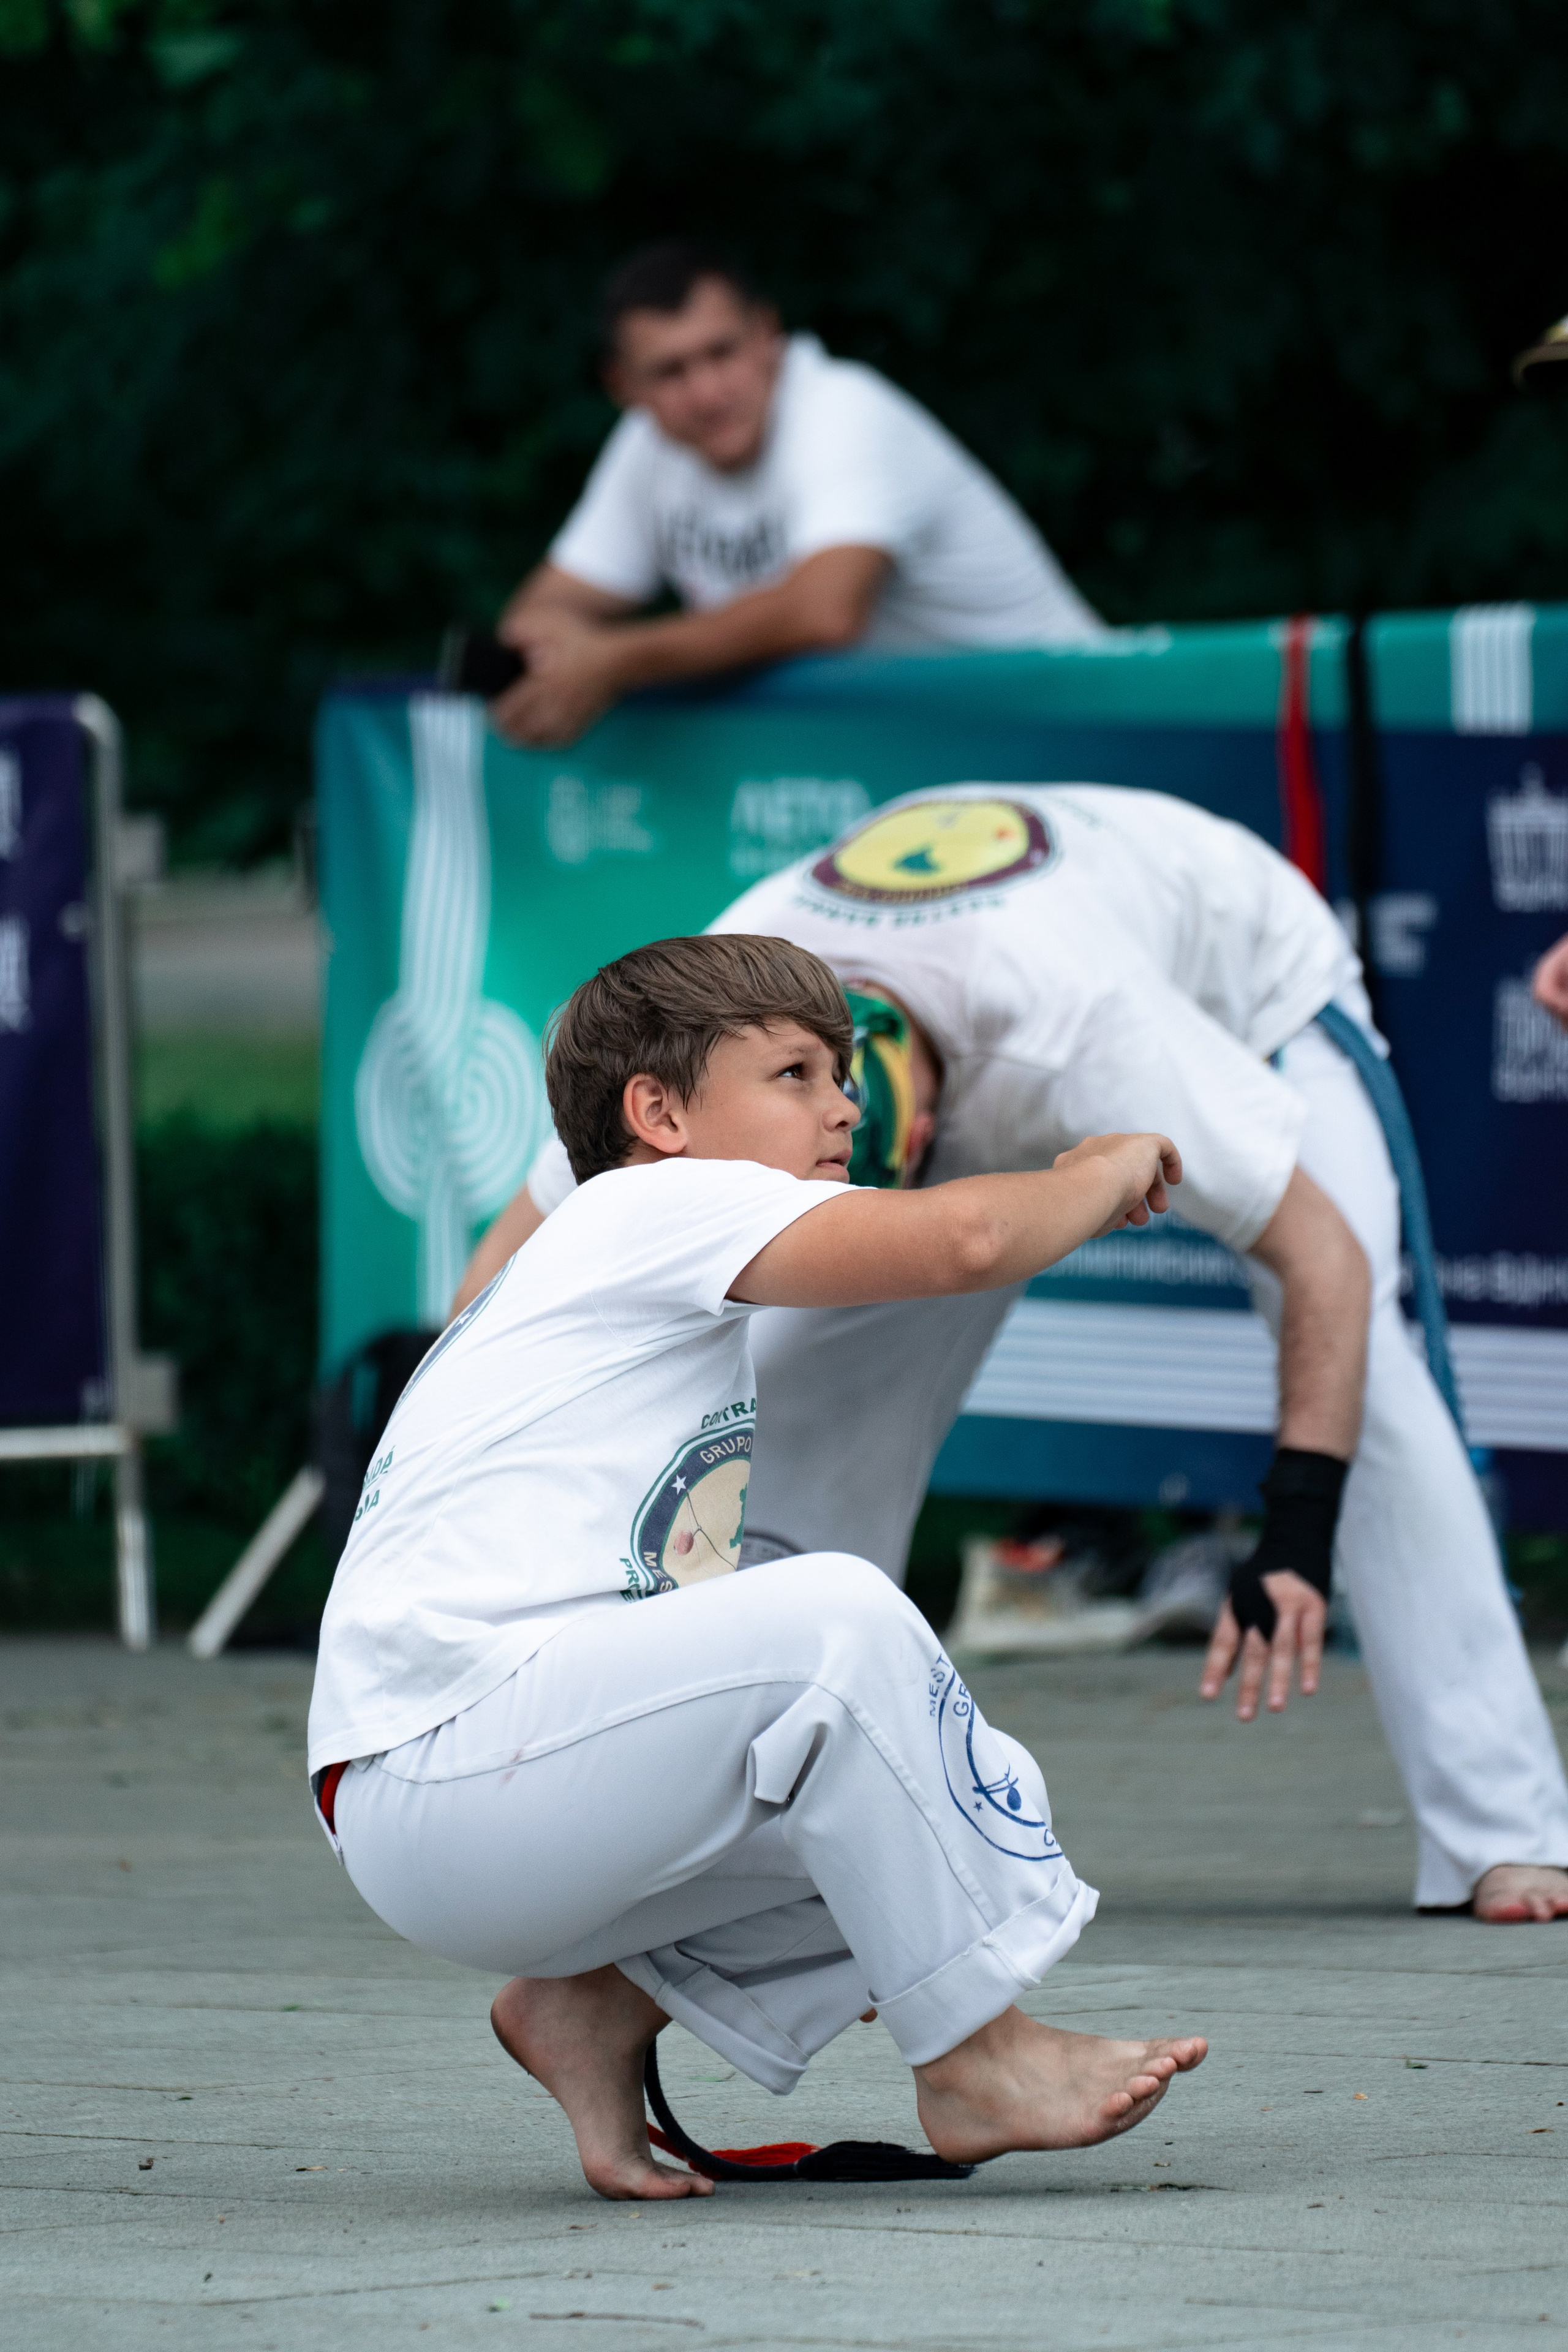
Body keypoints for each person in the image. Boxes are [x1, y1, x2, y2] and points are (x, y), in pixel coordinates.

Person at [461, 786, 1568, 1928]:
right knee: (790, 1398)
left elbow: (1322, 1251)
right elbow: (496, 1286)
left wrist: (1298, 1524)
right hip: (968, 986)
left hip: (1242, 989)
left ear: (906, 1129)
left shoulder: (1083, 1029)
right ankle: (765, 1829)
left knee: (1355, 1361)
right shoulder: (706, 1025)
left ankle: (1507, 1831)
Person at [307, 935, 1205, 2201]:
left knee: (949, 1785)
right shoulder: (648, 1200)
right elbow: (961, 1243)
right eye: (793, 1072)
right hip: (449, 1759)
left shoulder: (601, 1250)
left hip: (455, 1792)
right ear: (657, 1113)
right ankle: (973, 2056)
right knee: (837, 1623)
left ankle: (591, 2009)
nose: (843, 1102)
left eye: (841, 1071)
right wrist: (1093, 1168)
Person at [489, 242, 1107, 748]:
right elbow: (542, 612)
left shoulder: (843, 408)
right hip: (921, 751)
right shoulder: (647, 448)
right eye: (671, 372)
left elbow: (824, 612)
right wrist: (553, 654)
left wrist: (610, 662)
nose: (706, 393)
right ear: (623, 385)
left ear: (768, 337)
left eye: (721, 353)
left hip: (1084, 723)